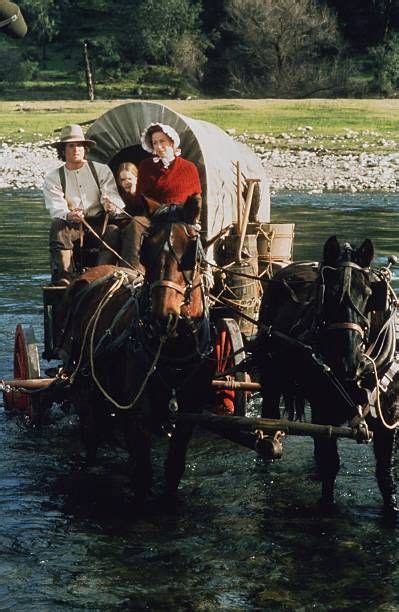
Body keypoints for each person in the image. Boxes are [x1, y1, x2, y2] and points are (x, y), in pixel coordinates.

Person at [43, 124, 138, 285]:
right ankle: (65, 276)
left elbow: (110, 193)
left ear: (85, 148)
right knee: (58, 227)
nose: (76, 149)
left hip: (99, 223)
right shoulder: (53, 177)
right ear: (63, 150)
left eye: (79, 145)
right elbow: (55, 205)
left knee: (113, 231)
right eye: (71, 146)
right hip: (71, 225)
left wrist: (110, 205)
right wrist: (69, 214)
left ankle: (100, 276)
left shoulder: (101, 170)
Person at [127, 122, 202, 272]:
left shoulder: (188, 167)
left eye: (162, 141)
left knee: (189, 235)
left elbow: (196, 199)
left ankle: (194, 271)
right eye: (155, 143)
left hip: (181, 216)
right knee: (137, 223)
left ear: (172, 143)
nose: (159, 147)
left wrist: (191, 217)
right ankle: (134, 269)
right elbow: (141, 199)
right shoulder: (146, 166)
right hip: (155, 216)